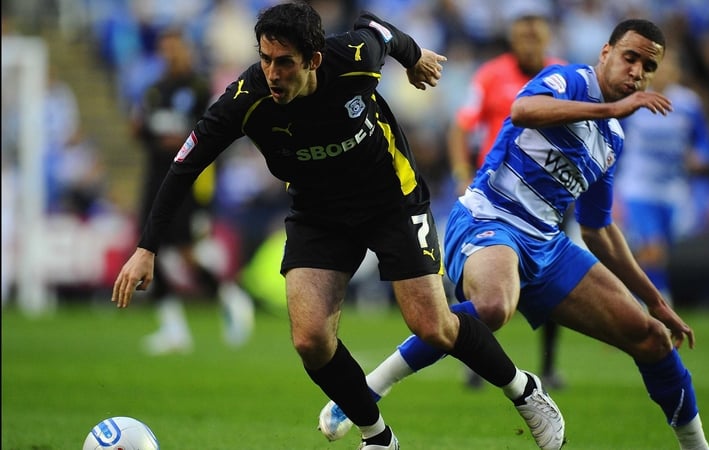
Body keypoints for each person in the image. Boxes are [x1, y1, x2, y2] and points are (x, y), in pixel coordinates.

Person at [112, 3, 565, 450]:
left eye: (284, 63)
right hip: (318, 213)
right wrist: (146, 247)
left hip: (391, 199)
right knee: (310, 339)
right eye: (265, 59)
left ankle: (524, 391)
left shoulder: (352, 59)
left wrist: (413, 58)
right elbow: (185, 165)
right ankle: (378, 438)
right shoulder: (244, 99)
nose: (272, 73)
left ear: (313, 60)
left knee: (433, 327)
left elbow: (378, 29)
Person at [319, 18, 709, 450]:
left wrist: (654, 301)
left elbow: (598, 228)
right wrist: (610, 109)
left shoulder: (612, 139)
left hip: (546, 243)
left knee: (652, 338)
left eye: (647, 67)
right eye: (630, 57)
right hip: (489, 217)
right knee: (491, 306)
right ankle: (368, 389)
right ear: (605, 53)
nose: (636, 72)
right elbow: (523, 111)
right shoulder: (569, 79)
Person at [448, 11, 567, 391]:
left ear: (547, 39)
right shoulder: (490, 75)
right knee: (480, 282)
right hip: (495, 197)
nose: (530, 43)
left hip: (546, 196)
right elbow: (462, 125)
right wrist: (460, 173)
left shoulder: (564, 78)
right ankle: (475, 359)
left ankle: (548, 366)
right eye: (522, 37)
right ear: (513, 40)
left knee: (548, 278)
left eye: (536, 36)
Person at [129, 28, 254, 355]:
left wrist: (174, 137)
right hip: (156, 178)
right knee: (147, 248)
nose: (170, 54)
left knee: (185, 251)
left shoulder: (199, 87)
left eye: (175, 48)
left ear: (185, 49)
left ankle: (230, 297)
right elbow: (141, 130)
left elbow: (208, 131)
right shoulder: (154, 91)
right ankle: (172, 328)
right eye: (165, 49)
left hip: (190, 180)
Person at [614, 48, 709, 304]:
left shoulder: (689, 103)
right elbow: (616, 140)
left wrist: (700, 157)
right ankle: (658, 302)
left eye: (669, 67)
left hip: (673, 189)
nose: (663, 73)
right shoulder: (634, 99)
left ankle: (624, 296)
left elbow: (704, 143)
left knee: (657, 253)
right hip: (638, 186)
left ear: (678, 72)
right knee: (653, 247)